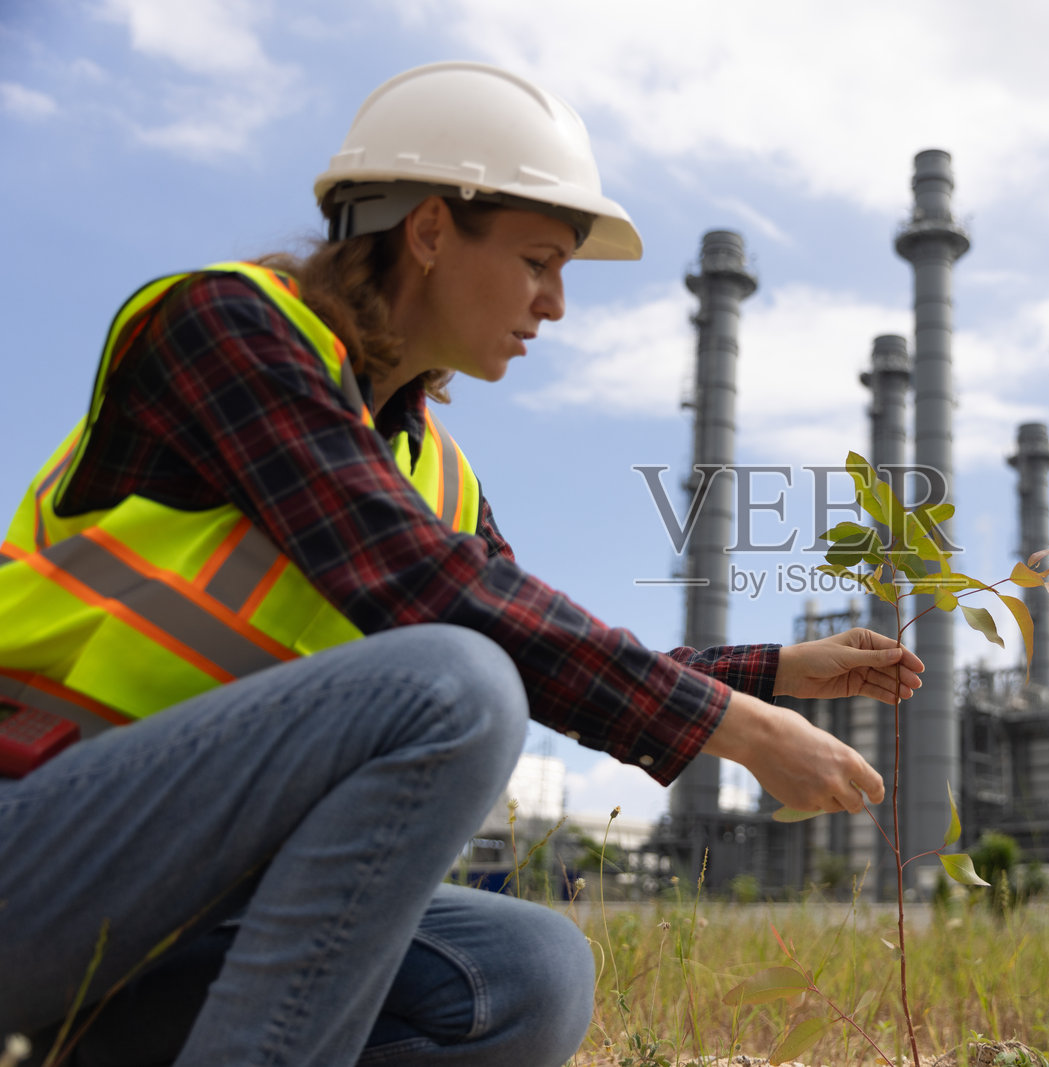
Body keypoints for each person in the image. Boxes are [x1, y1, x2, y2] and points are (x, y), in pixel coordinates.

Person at [0, 62, 922, 1066]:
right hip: (34, 841)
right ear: (431, 230)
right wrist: (735, 729)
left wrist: (775, 673)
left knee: (531, 971)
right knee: (453, 677)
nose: (556, 304)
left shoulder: (431, 470)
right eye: (537, 261)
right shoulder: (227, 329)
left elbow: (533, 645)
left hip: (176, 905)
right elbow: (435, 604)